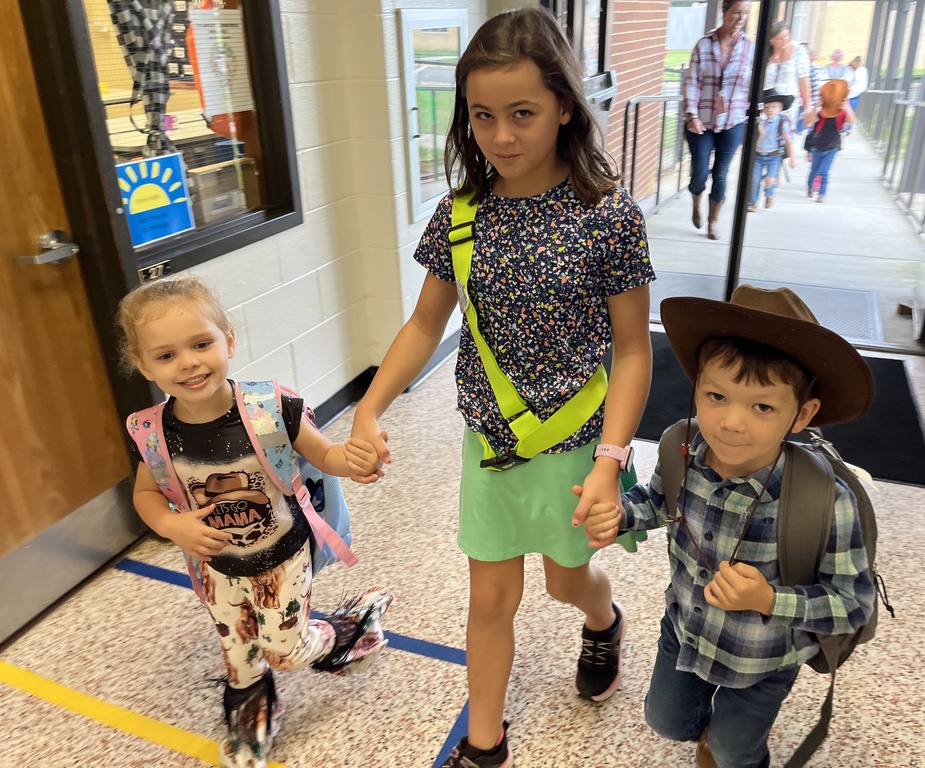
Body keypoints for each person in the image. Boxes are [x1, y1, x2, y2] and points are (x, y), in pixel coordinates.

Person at [349, 8, 654, 768]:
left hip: (581, 443)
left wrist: (612, 462)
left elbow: (631, 349)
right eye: (483, 116)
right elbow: (424, 324)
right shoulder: (461, 215)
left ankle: (604, 618)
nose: (502, 136)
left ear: (564, 106)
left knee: (564, 581)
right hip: (492, 442)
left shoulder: (607, 215)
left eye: (522, 113)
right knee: (490, 599)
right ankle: (484, 746)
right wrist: (369, 405)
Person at [580, 284, 877, 768]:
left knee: (734, 751)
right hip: (686, 630)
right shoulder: (682, 448)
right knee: (667, 721)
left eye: (763, 406)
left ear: (802, 414)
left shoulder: (823, 500)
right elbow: (658, 502)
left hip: (765, 661)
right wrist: (621, 515)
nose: (732, 422)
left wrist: (767, 599)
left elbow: (853, 605)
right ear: (696, 386)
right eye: (716, 395)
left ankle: (728, 749)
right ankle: (707, 735)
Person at [117, 275, 392, 768]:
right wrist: (168, 525)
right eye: (165, 356)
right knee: (237, 647)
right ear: (142, 365)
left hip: (281, 557)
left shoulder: (268, 409)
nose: (188, 362)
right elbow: (144, 493)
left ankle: (347, 630)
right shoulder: (152, 432)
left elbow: (323, 453)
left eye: (201, 343)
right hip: (214, 565)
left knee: (284, 649)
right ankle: (250, 705)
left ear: (229, 339)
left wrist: (353, 459)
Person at [682, 0, 755, 240]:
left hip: (732, 121)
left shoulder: (749, 48)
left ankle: (713, 221)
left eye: (744, 14)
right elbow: (691, 82)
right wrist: (692, 115)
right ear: (724, 11)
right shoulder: (704, 44)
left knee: (721, 172)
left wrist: (759, 118)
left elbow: (754, 86)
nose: (740, 18)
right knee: (700, 172)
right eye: (736, 13)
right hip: (701, 121)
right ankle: (696, 198)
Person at [805, 78, 856, 202]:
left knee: (824, 171)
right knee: (814, 171)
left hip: (832, 147)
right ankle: (811, 186)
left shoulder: (841, 113)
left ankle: (822, 194)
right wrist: (816, 105)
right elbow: (810, 121)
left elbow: (851, 121)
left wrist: (847, 108)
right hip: (817, 147)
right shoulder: (820, 112)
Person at [748, 91, 795, 212]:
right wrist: (759, 132)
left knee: (770, 179)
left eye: (774, 107)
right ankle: (753, 203)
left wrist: (792, 159)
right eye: (767, 107)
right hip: (758, 155)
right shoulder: (759, 122)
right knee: (754, 179)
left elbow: (788, 141)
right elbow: (752, 140)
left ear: (780, 108)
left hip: (774, 156)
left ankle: (769, 194)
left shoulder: (782, 122)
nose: (770, 110)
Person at [763, 22, 811, 135]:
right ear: (771, 40)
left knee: (784, 137)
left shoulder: (798, 51)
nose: (785, 40)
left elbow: (804, 80)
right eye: (780, 38)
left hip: (788, 105)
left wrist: (808, 106)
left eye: (787, 36)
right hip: (767, 105)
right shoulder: (765, 54)